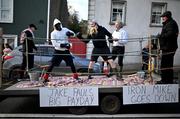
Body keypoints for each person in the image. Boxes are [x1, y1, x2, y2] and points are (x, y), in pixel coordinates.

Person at [42, 18, 79, 82]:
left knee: (71, 63)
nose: (58, 26)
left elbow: (73, 34)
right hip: (58, 51)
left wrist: (70, 34)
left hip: (66, 51)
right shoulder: (53, 33)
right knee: (52, 64)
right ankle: (46, 77)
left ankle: (75, 76)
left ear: (60, 24)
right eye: (57, 25)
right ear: (54, 26)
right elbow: (54, 44)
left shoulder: (65, 29)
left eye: (59, 25)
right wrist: (63, 45)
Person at [158, 11, 179, 84]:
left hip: (169, 48)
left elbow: (170, 34)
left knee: (167, 65)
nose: (162, 18)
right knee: (165, 65)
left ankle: (167, 81)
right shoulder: (168, 23)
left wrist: (161, 36)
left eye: (164, 17)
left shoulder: (171, 23)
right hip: (166, 47)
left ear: (167, 17)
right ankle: (165, 80)